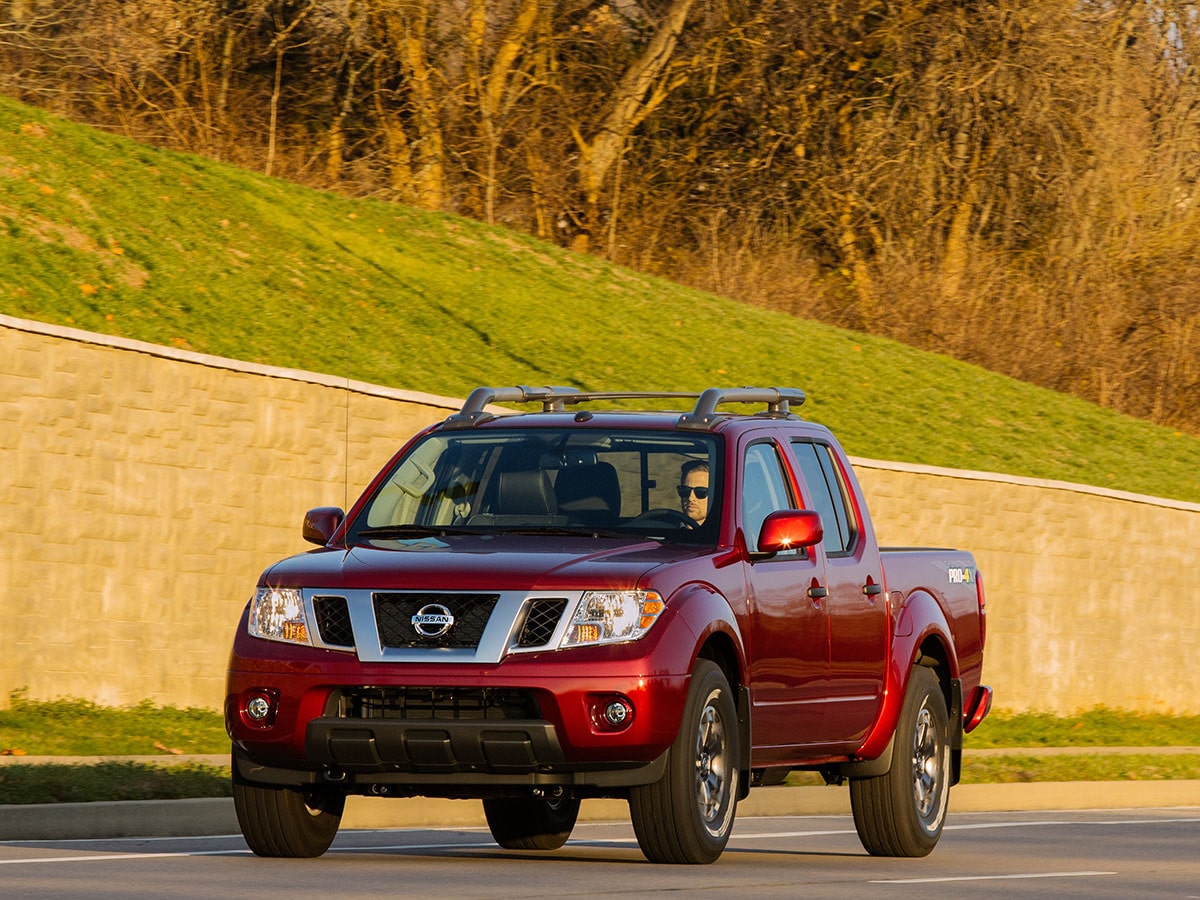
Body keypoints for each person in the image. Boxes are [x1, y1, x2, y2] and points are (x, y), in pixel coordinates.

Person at [677, 459, 710, 527]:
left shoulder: (723, 534)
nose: (690, 498)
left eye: (700, 492)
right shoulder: (666, 529)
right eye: (685, 491)